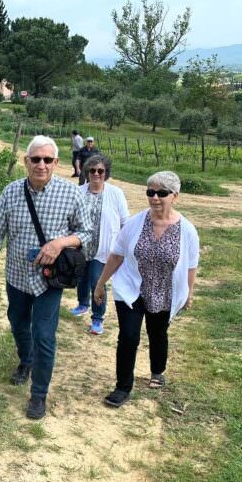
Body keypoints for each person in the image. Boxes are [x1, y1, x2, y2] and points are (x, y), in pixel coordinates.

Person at [0, 135, 92, 420]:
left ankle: (38, 394)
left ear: (56, 163)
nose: (41, 165)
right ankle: (25, 362)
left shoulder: (71, 194)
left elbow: (87, 234)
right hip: (16, 276)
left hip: (48, 281)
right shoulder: (11, 192)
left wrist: (59, 243)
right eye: (36, 159)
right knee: (17, 322)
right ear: (26, 161)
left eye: (47, 160)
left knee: (43, 335)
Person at [94, 171, 199, 407]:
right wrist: (100, 284)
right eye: (150, 192)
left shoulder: (187, 231)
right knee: (128, 337)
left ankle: (157, 371)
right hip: (132, 288)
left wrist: (189, 293)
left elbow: (191, 266)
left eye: (161, 193)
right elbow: (116, 255)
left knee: (158, 333)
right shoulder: (134, 223)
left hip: (165, 291)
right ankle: (122, 387)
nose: (154, 197)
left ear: (175, 196)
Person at [70, 154, 130, 336]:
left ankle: (97, 318)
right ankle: (82, 304)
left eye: (100, 171)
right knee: (81, 277)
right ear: (87, 172)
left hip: (103, 249)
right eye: (92, 170)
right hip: (81, 247)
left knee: (97, 281)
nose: (96, 174)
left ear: (106, 173)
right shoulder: (78, 192)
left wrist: (123, 246)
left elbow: (124, 220)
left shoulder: (115, 193)